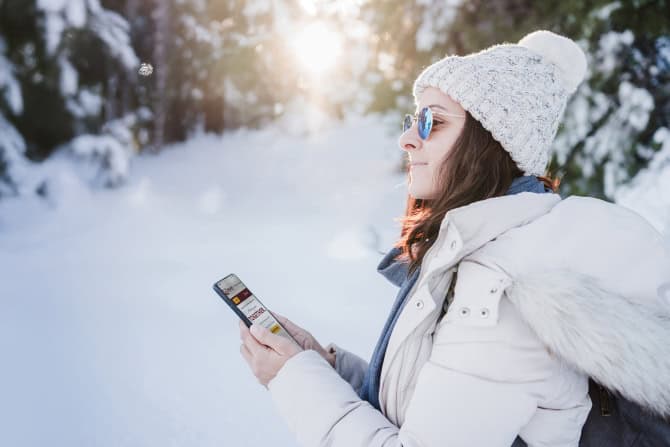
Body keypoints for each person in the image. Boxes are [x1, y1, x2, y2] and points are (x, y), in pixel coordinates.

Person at [238, 30, 670, 446]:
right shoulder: (481, 248)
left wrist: (293, 379)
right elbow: (435, 404)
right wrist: (325, 367)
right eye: (414, 119)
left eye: (432, 122)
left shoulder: (496, 286)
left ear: (488, 142)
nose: (408, 138)